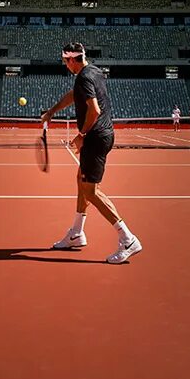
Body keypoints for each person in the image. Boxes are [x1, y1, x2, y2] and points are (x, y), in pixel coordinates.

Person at [42, 42, 142, 264]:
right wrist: (51, 111)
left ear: (71, 60)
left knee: (91, 191)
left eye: (64, 61)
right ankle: (76, 234)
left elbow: (94, 110)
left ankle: (128, 238)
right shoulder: (93, 72)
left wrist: (82, 136)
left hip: (95, 138)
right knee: (81, 180)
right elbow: (74, 95)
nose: (64, 65)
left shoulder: (85, 78)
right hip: (102, 135)